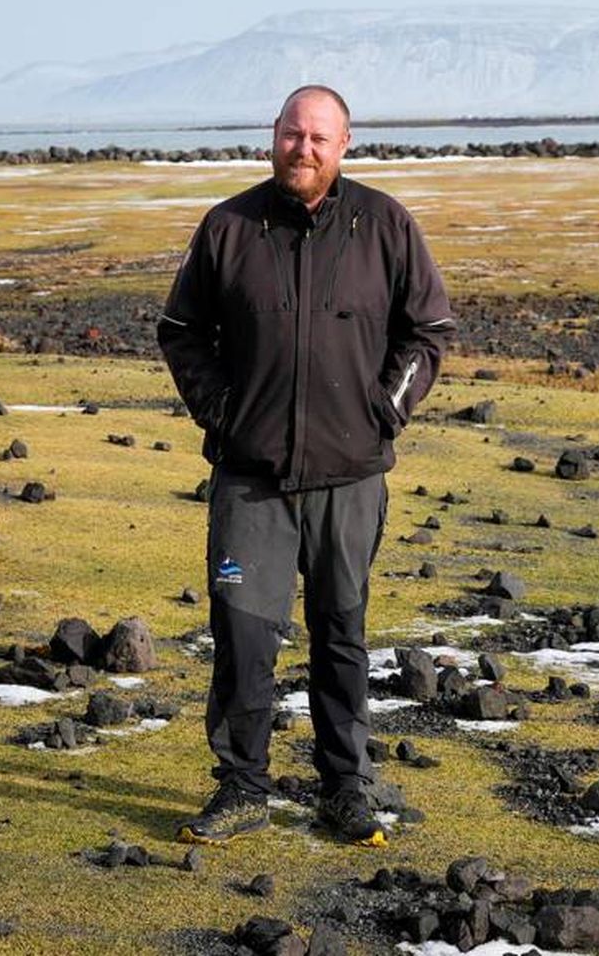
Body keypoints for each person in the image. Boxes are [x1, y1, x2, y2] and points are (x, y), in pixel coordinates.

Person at [158, 85, 454, 846]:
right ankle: (241, 787)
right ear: (274, 137)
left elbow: (427, 332)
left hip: (350, 478)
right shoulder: (229, 225)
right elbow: (181, 332)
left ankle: (345, 789)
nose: (304, 149)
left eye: (320, 138)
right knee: (244, 633)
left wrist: (382, 412)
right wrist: (224, 416)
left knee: (340, 633)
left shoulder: (385, 225)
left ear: (345, 143)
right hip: (250, 481)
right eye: (293, 134)